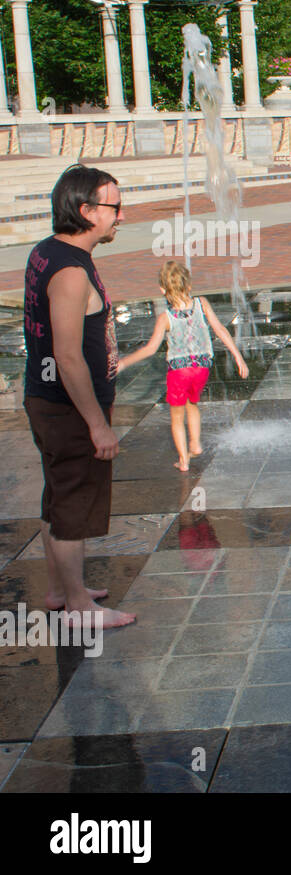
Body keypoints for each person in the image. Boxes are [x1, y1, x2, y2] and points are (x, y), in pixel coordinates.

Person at [23, 165, 134, 628]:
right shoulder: (70, 272)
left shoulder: (49, 252)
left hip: (45, 398)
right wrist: (97, 424)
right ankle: (79, 609)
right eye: (114, 207)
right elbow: (69, 357)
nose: (121, 217)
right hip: (68, 407)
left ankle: (60, 589)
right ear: (86, 211)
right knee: (72, 504)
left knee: (57, 497)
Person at [117, 261, 249, 470]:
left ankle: (183, 460)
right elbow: (220, 330)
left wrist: (124, 362)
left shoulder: (165, 317)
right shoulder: (202, 303)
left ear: (162, 290)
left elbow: (151, 349)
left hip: (179, 372)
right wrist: (238, 357)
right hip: (202, 367)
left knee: (177, 417)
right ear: (188, 286)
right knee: (192, 404)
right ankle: (195, 444)